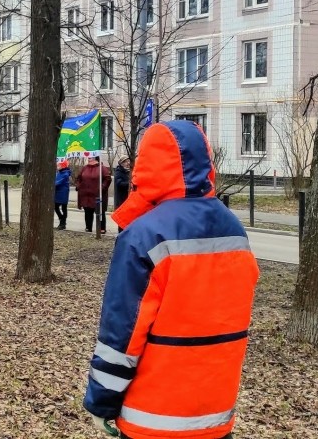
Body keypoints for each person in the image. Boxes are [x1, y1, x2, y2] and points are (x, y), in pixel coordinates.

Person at [83, 120, 259, 439]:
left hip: (152, 418)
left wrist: (102, 403)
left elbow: (122, 333)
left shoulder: (144, 235)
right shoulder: (234, 229)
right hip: (215, 415)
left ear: (148, 167)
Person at [75, 156, 111, 234]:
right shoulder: (84, 168)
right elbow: (78, 178)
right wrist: (78, 186)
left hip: (97, 194)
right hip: (86, 194)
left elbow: (107, 179)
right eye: (88, 158)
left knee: (100, 211)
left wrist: (102, 188)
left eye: (90, 158)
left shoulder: (102, 168)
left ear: (96, 159)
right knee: (87, 211)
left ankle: (102, 228)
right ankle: (88, 227)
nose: (88, 159)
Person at [113, 156, 132, 234]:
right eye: (125, 162)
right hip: (121, 199)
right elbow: (119, 184)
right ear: (121, 163)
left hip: (128, 199)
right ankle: (121, 234)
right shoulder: (119, 172)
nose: (127, 163)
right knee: (122, 219)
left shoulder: (129, 172)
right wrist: (129, 184)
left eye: (128, 161)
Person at [54, 160, 71, 230]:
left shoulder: (65, 174)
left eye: (59, 165)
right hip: (58, 192)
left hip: (63, 193)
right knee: (56, 207)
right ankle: (61, 218)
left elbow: (58, 182)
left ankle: (63, 223)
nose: (57, 167)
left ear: (63, 166)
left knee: (64, 208)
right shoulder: (59, 173)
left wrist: (52, 184)